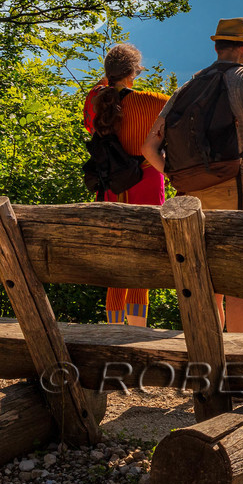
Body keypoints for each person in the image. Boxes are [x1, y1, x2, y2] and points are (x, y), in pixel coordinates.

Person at [142, 18, 243, 334]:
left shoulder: (189, 86)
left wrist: (174, 173)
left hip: (190, 200)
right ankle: (239, 366)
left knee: (208, 288)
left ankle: (209, 360)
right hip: (236, 193)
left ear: (217, 47)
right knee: (237, 290)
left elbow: (149, 147)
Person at [83, 43, 168, 325]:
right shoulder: (154, 100)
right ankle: (137, 330)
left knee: (115, 260)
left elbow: (91, 123)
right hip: (146, 181)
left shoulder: (95, 100)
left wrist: (106, 83)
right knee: (142, 260)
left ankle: (113, 328)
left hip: (111, 186)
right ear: (133, 73)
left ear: (108, 74)